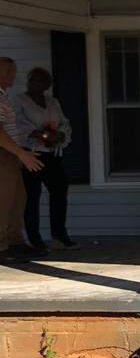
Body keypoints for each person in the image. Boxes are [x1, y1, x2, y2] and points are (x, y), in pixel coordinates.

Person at [14, 67, 76, 251]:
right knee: (32, 196)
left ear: (47, 85)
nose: (36, 84)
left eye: (41, 81)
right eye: (33, 80)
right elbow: (20, 125)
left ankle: (59, 235)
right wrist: (44, 136)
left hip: (52, 155)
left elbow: (64, 123)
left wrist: (59, 136)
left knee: (59, 190)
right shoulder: (19, 100)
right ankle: (34, 238)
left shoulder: (52, 102)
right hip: (32, 154)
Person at [0, 57, 43, 257]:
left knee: (18, 198)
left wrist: (19, 152)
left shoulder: (4, 95)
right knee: (4, 200)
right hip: (3, 154)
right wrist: (19, 152)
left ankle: (15, 241)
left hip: (10, 153)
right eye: (11, 72)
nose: (14, 76)